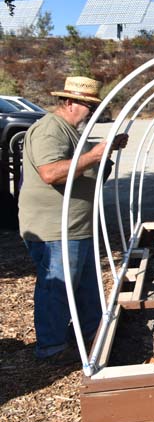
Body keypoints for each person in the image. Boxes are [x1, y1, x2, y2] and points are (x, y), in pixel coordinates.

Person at [18, 76, 128, 364]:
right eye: (86, 105)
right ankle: (51, 348)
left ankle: (92, 332)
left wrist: (106, 152)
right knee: (57, 287)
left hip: (76, 227)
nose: (90, 111)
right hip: (56, 229)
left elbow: (83, 170)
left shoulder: (70, 130)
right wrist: (94, 155)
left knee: (85, 285)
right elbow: (51, 173)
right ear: (68, 102)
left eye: (93, 106)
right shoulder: (49, 130)